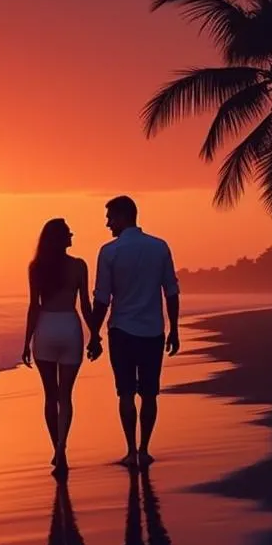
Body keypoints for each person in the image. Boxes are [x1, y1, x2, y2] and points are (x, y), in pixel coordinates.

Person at [86, 195, 180, 468]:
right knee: (150, 393)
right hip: (152, 330)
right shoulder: (159, 247)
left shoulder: (109, 251)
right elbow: (170, 292)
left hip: (122, 331)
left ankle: (130, 450)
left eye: (110, 218)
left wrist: (94, 334)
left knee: (125, 392)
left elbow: (102, 298)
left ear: (123, 217)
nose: (107, 224)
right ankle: (144, 449)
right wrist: (174, 329)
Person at [22, 218, 92, 472]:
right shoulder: (79, 266)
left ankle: (57, 450)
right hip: (70, 328)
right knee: (66, 396)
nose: (72, 236)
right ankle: (62, 446)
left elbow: (34, 306)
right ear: (61, 239)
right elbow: (85, 305)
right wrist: (95, 333)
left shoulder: (36, 267)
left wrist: (26, 341)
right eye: (68, 233)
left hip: (46, 329)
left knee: (50, 396)